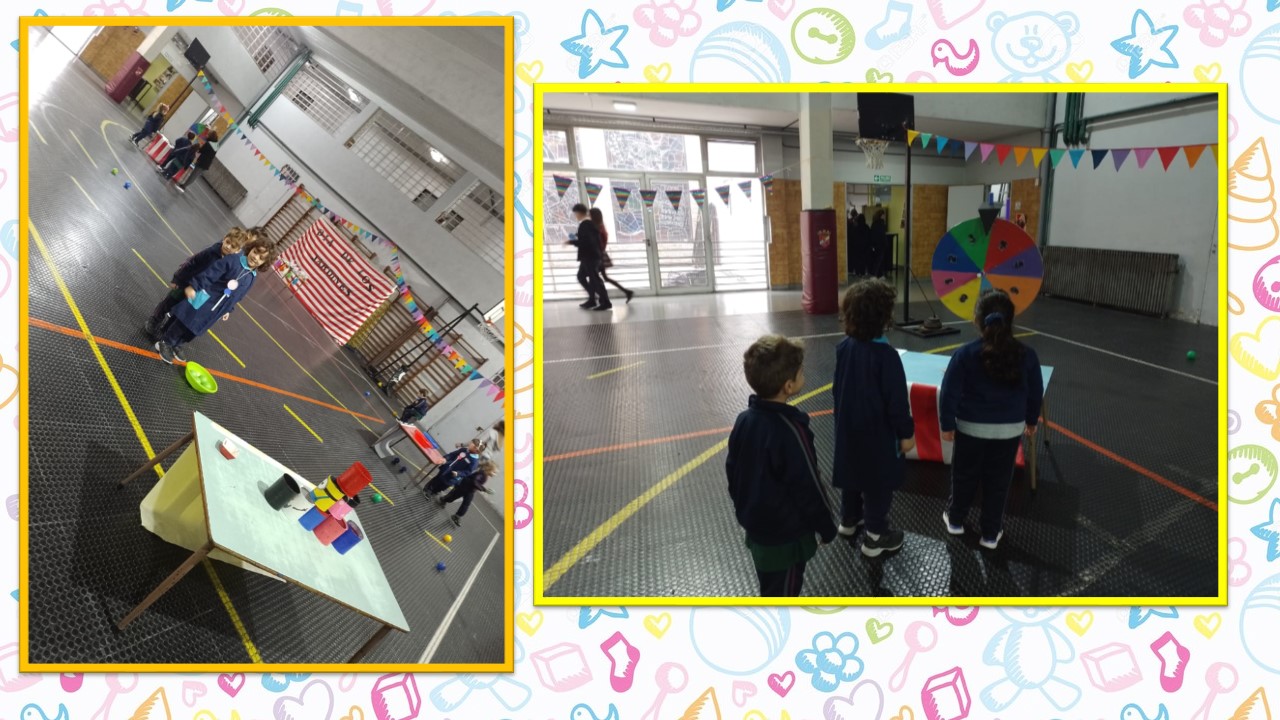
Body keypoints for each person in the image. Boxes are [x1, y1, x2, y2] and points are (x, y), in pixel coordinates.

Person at [726, 335, 838, 597]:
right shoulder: (791, 431)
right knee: (784, 594)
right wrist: (826, 526)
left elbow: (733, 471)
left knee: (770, 586)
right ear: (789, 386)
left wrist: (745, 507)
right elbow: (809, 485)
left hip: (758, 530)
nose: (803, 373)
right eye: (801, 371)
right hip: (786, 540)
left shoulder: (744, 420)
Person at [939, 289, 1043, 550]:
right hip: (1009, 432)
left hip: (970, 429)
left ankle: (955, 520)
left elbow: (949, 392)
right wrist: (1031, 420)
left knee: (964, 475)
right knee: (998, 482)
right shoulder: (1027, 355)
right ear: (1011, 320)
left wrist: (947, 424)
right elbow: (1035, 392)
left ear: (977, 320)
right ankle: (990, 533)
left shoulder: (964, 354)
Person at [831, 278, 915, 558]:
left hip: (848, 430)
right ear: (884, 317)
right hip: (878, 437)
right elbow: (897, 404)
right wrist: (906, 433)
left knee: (852, 475)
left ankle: (848, 520)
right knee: (878, 485)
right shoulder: (887, 356)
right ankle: (876, 537)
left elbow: (837, 389)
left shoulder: (844, 347)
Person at [154, 237, 274, 364]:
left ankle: (176, 343)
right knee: (185, 321)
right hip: (205, 298)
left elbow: (238, 296)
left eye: (261, 258)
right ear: (250, 249)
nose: (255, 257)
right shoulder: (233, 260)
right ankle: (165, 342)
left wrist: (229, 309)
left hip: (217, 307)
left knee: (195, 328)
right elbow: (210, 273)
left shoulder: (251, 277)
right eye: (255, 252)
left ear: (264, 263)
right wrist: (194, 286)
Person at [144, 227, 253, 342]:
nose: (228, 246)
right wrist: (177, 279)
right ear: (224, 238)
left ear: (237, 250)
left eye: (233, 246)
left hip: (199, 291)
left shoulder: (230, 263)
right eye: (227, 242)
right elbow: (191, 262)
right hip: (186, 282)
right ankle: (154, 320)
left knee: (180, 311)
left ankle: (165, 331)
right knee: (170, 301)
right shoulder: (211, 251)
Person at [565, 203, 610, 311]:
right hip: (590, 256)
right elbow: (589, 239)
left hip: (590, 256)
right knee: (582, 276)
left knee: (595, 279)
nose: (576, 216)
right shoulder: (590, 224)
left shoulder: (585, 224)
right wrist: (577, 238)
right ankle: (592, 299)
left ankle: (605, 302)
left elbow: (586, 242)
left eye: (576, 214)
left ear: (579, 213)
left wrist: (572, 242)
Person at [590, 207, 633, 303]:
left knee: (595, 277)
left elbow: (599, 243)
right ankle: (626, 292)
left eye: (590, 215)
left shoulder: (598, 228)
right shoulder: (601, 226)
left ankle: (597, 298)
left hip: (599, 255)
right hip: (601, 254)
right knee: (602, 277)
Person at [438, 459, 497, 526]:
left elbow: (476, 483)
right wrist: (484, 489)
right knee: (453, 496)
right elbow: (474, 481)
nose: (495, 474)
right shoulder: (481, 473)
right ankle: (444, 499)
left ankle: (457, 516)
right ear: (489, 469)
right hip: (464, 487)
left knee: (466, 504)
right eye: (494, 472)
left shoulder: (485, 475)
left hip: (470, 491)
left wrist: (483, 489)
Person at [850, 212, 871, 277]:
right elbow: (869, 237)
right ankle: (862, 273)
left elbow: (852, 238)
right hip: (865, 247)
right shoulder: (867, 227)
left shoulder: (855, 228)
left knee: (857, 260)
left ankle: (857, 272)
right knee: (863, 260)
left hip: (857, 247)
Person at [870, 210, 890, 277]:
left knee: (877, 260)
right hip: (881, 245)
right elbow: (883, 235)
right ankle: (876, 275)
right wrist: (886, 244)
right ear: (881, 215)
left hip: (875, 245)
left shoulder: (874, 223)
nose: (884, 216)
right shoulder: (881, 224)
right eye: (883, 215)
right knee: (879, 261)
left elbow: (872, 234)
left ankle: (878, 275)